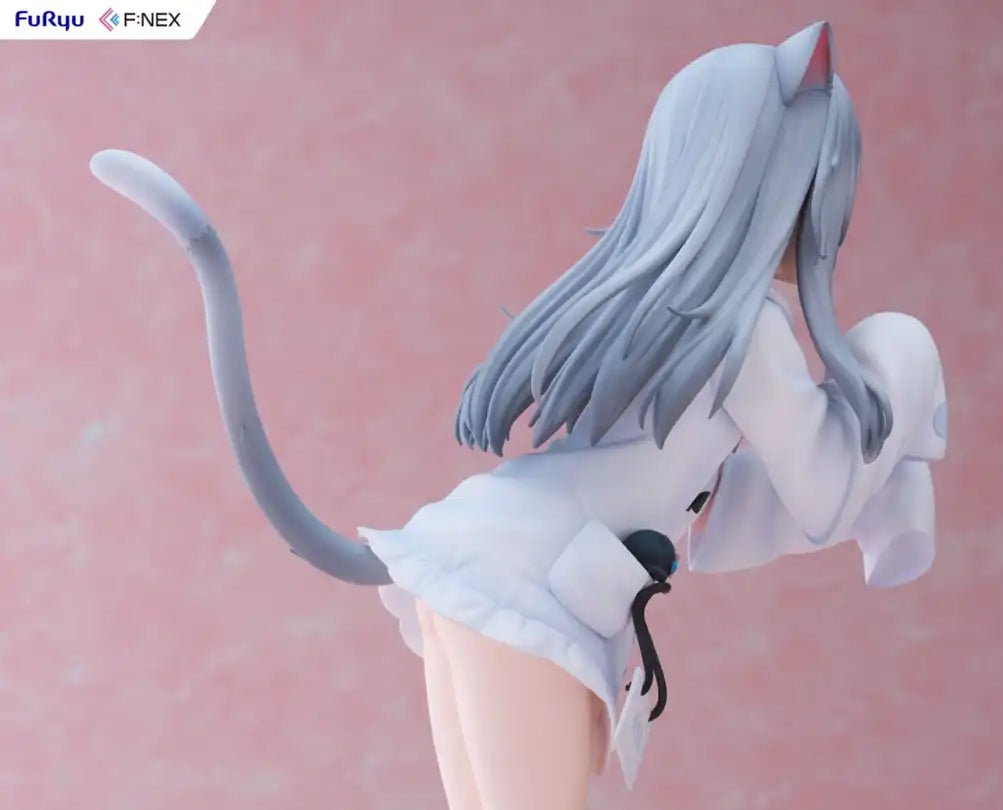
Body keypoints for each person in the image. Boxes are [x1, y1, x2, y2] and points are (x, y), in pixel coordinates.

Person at [89, 19, 947, 810]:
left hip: (491, 563)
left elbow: (722, 500)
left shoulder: (671, 308)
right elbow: (824, 493)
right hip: (525, 583)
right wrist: (905, 364)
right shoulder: (743, 330)